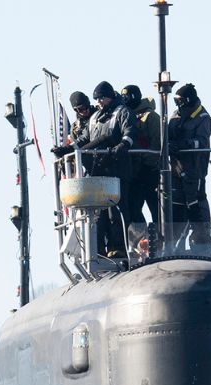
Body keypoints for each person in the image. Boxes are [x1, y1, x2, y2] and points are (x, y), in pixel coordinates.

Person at [80, 80, 134, 257]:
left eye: (102, 98)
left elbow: (129, 132)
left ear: (110, 96)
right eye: (97, 99)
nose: (99, 102)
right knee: (101, 214)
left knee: (117, 210)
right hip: (98, 171)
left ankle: (120, 247)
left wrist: (123, 145)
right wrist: (69, 149)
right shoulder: (95, 117)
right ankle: (102, 248)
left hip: (117, 169)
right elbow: (85, 138)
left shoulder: (122, 112)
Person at [165, 83, 211, 246]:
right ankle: (174, 243)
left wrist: (184, 144)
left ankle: (202, 240)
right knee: (177, 203)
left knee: (196, 201)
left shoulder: (203, 118)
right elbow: (167, 136)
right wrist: (169, 144)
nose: (177, 105)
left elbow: (201, 142)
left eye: (179, 101)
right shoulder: (175, 116)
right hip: (176, 168)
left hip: (195, 168)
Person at [122, 84, 162, 232]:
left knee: (157, 209)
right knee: (133, 207)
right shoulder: (126, 116)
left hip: (151, 171)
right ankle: (143, 239)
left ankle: (161, 239)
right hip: (135, 172)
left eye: (127, 97)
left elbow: (157, 143)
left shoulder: (151, 117)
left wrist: (148, 163)